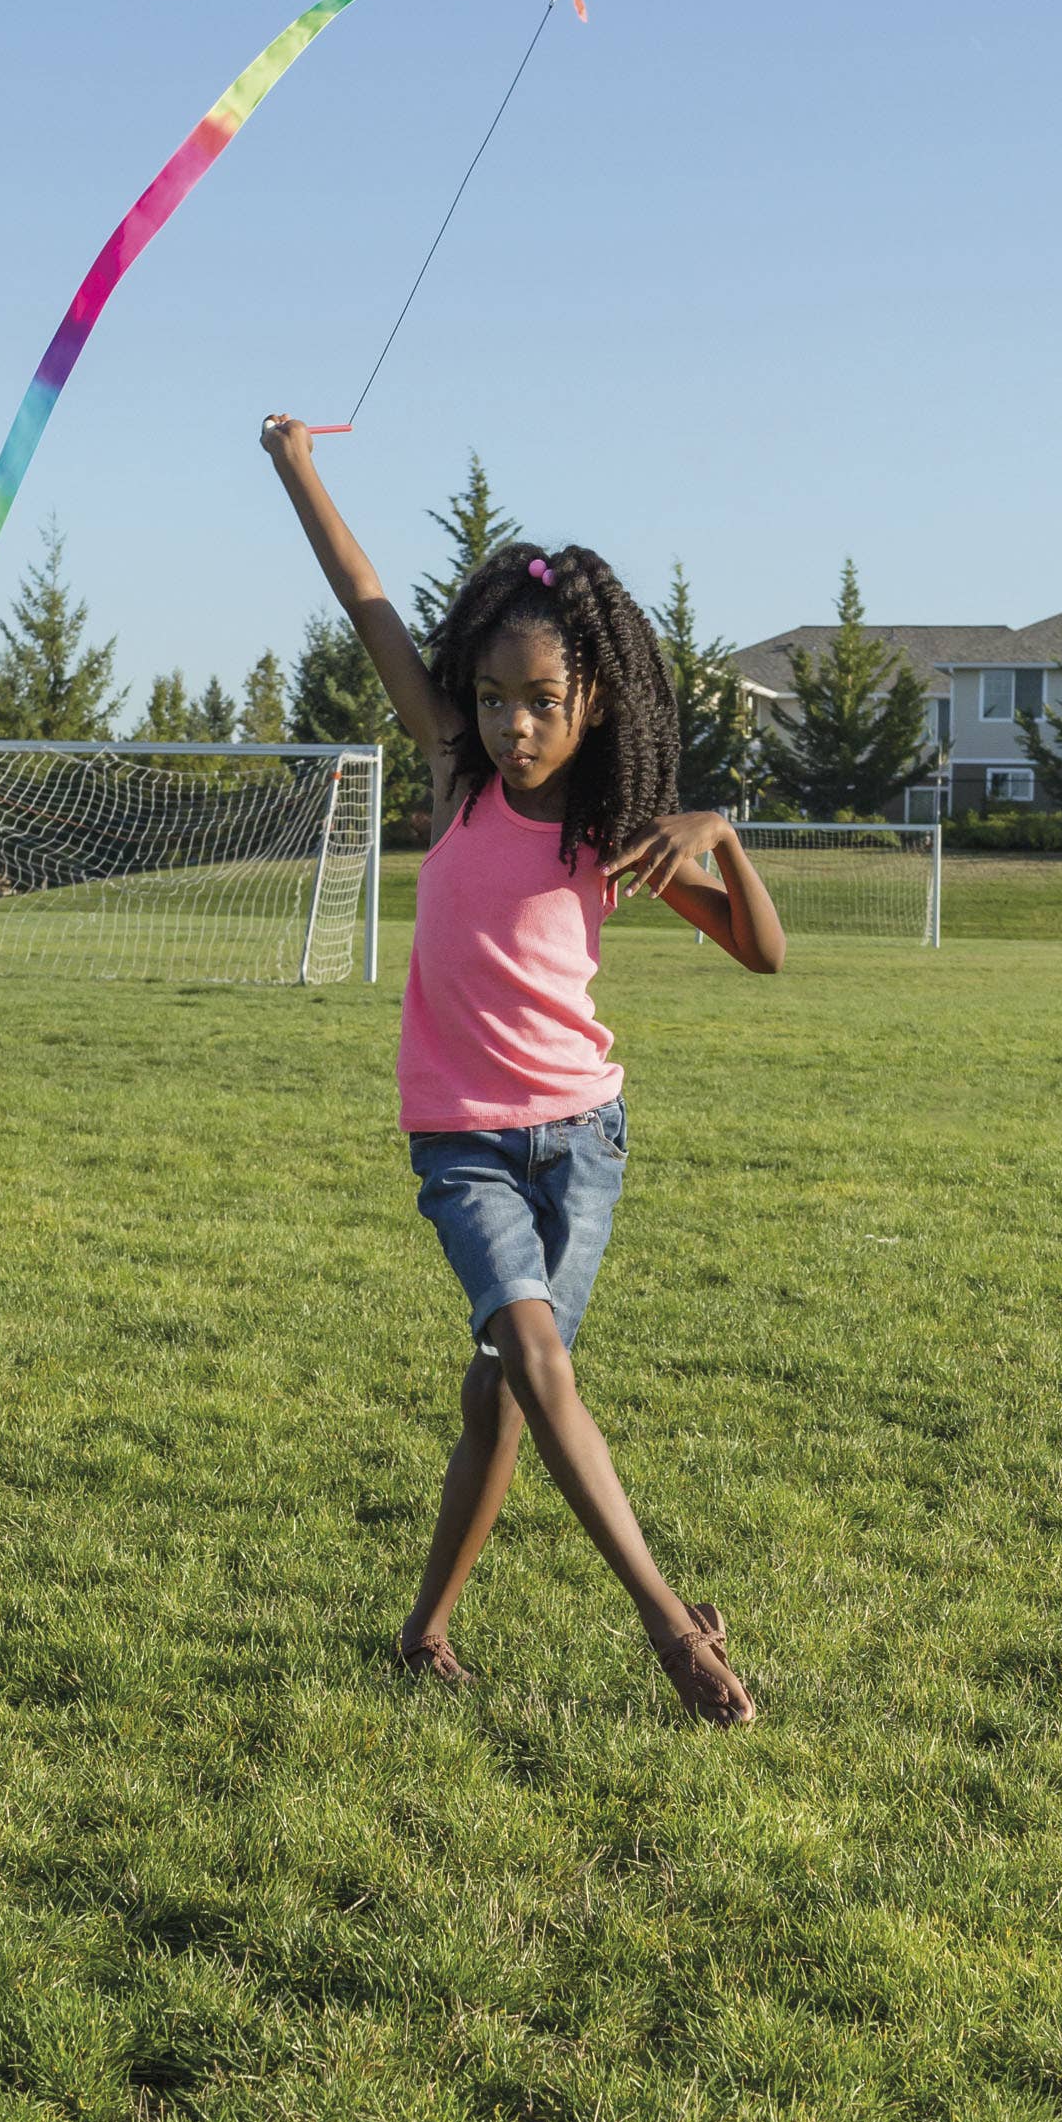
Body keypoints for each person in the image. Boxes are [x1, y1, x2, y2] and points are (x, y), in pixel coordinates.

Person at [261, 416, 786, 1728]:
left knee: (503, 1386)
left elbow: (763, 954)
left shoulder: (613, 833)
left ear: (594, 696)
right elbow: (367, 599)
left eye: (538, 700)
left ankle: (425, 1626)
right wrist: (295, 464)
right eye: (492, 698)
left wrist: (720, 834)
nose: (507, 724)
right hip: (465, 1145)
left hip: (587, 1143)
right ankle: (670, 1625)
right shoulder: (456, 783)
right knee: (537, 1358)